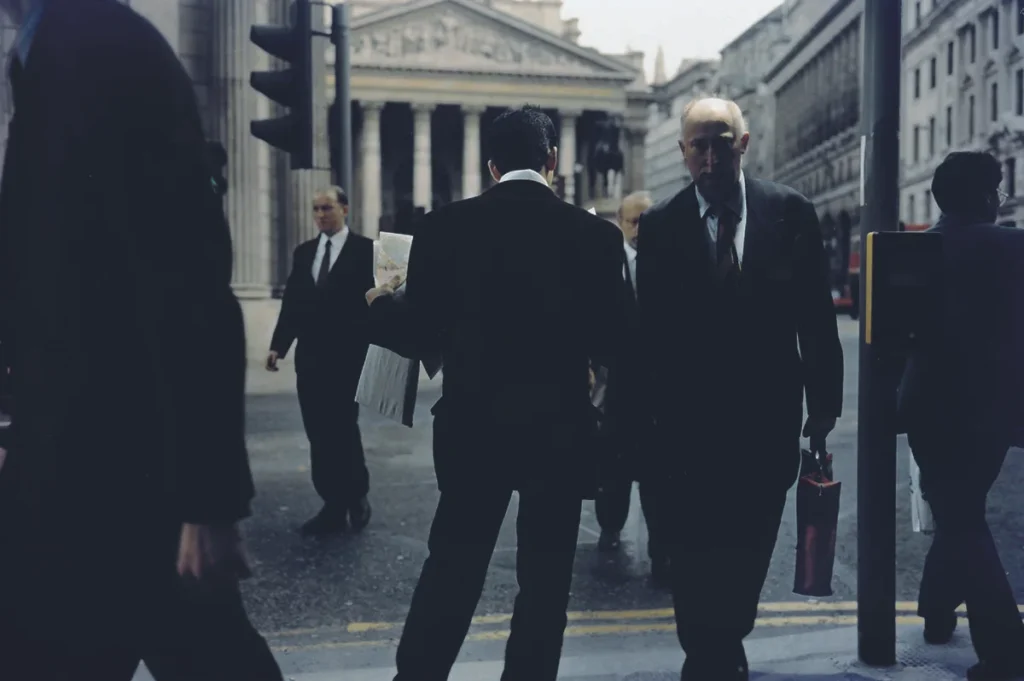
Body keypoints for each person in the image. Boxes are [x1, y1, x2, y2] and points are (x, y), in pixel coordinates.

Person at [0, 0, 281, 679]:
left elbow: (189, 284)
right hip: (76, 457)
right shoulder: (55, 53)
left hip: (117, 466)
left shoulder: (101, 50)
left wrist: (208, 499)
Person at [365, 105, 626, 681]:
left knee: (453, 568)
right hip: (559, 432)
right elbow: (616, 342)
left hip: (472, 430)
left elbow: (416, 336)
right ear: (552, 161)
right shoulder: (597, 236)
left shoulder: (444, 227)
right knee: (546, 583)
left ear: (490, 165)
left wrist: (381, 304)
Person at [636, 97, 843, 681]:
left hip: (766, 419)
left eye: (720, 141)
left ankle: (728, 634)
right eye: (697, 144)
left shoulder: (790, 212)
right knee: (693, 546)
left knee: (751, 541)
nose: (709, 154)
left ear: (743, 144)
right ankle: (705, 649)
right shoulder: (659, 225)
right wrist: (640, 421)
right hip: (684, 426)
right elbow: (647, 335)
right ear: (682, 152)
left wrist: (824, 407)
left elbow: (816, 318)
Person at [899, 151, 1024, 681]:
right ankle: (1003, 650)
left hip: (930, 408)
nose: (998, 200)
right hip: (995, 409)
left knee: (958, 512)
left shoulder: (911, 250)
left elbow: (887, 340)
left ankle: (944, 615)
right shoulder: (1016, 247)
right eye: (995, 191)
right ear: (981, 197)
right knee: (963, 510)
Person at [267, 186, 374, 537]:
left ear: (345, 208)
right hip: (310, 359)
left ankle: (355, 495)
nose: (320, 215)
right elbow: (293, 304)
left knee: (343, 428)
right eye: (315, 209)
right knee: (318, 432)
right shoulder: (305, 253)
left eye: (327, 207)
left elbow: (382, 305)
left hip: (349, 358)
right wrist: (278, 346)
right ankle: (332, 503)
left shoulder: (367, 252)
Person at [592, 190, 668, 584]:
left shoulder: (670, 262)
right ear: (620, 223)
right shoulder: (606, 263)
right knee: (614, 474)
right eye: (632, 221)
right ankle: (610, 527)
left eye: (645, 220)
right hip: (617, 391)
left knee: (659, 480)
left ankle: (661, 553)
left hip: (658, 393)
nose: (639, 229)